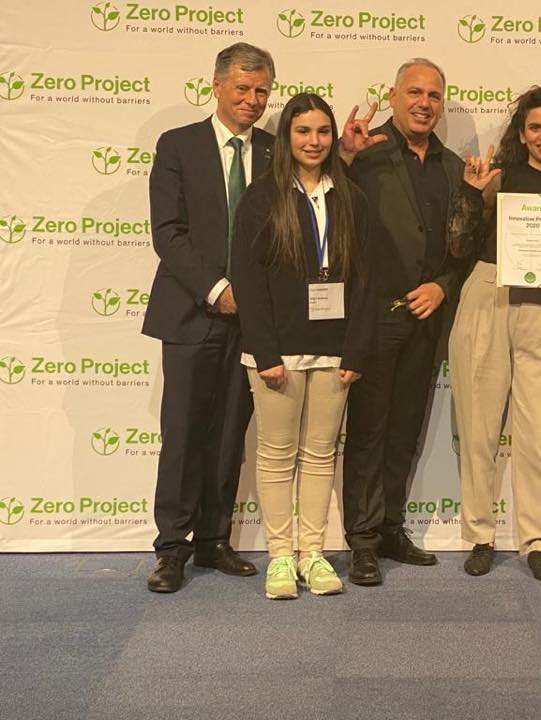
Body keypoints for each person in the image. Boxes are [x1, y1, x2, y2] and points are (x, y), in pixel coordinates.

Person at [230, 93, 375, 599]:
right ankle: (279, 557)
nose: (313, 142)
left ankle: (313, 554)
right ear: (286, 138)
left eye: (321, 132)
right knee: (275, 455)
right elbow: (247, 281)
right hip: (277, 353)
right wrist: (265, 354)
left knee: (319, 455)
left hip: (335, 351)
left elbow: (365, 282)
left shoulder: (352, 197)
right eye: (302, 131)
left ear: (332, 138)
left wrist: (356, 352)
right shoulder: (260, 198)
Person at [142, 43, 275, 593]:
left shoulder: (274, 150)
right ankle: (171, 548)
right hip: (192, 312)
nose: (252, 100)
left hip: (254, 321)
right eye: (242, 88)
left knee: (229, 434)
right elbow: (167, 233)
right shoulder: (178, 145)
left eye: (262, 91)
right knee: (183, 432)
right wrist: (217, 290)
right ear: (216, 86)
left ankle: (214, 540)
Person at [448, 85, 541, 582]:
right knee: (479, 427)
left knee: (539, 433)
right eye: (535, 127)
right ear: (522, 134)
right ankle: (480, 536)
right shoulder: (499, 178)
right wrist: (472, 192)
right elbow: (459, 246)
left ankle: (536, 542)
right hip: (488, 290)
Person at [336, 58, 467, 586]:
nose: (424, 103)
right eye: (414, 92)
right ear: (392, 95)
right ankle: (363, 541)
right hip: (372, 318)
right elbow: (327, 209)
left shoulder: (453, 165)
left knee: (404, 429)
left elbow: (468, 242)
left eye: (434, 96)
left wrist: (444, 286)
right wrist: (343, 158)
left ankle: (391, 527)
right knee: (367, 432)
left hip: (426, 319)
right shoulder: (364, 152)